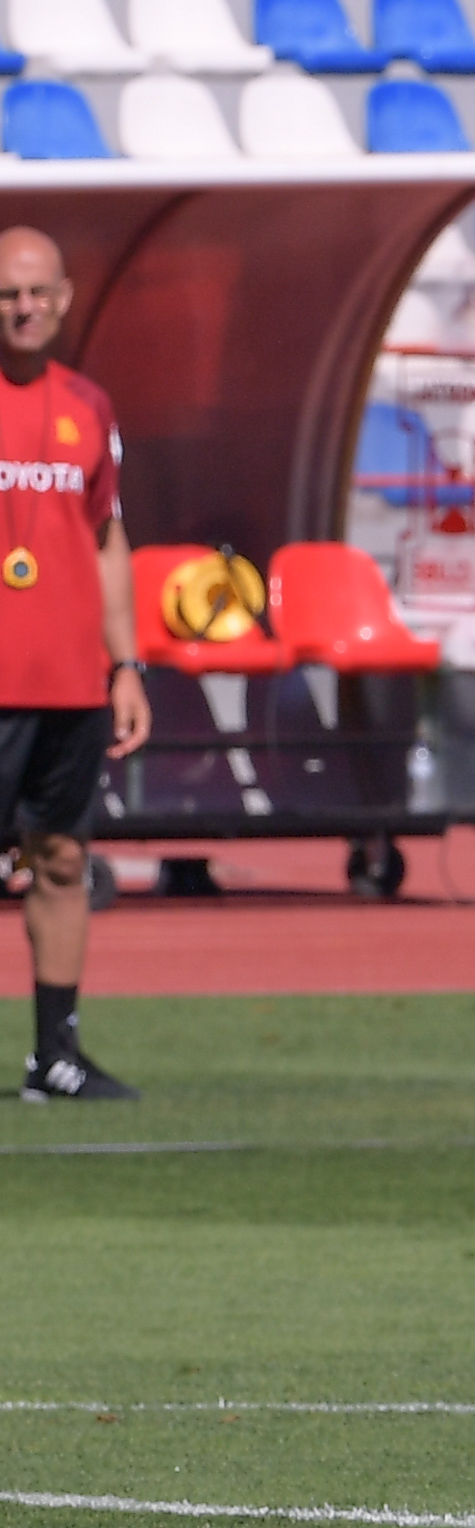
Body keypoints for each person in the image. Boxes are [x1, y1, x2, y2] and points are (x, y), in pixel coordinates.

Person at [0, 226, 146, 1102]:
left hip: (68, 683)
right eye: (6, 293)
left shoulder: (87, 405)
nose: (22, 307)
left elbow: (106, 540)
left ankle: (54, 1056)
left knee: (60, 860)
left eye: (36, 292)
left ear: (62, 298)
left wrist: (126, 666)